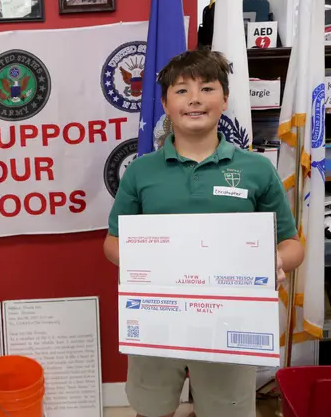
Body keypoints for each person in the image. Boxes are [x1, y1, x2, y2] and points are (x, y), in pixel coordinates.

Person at [103, 49, 304, 417]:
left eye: (207, 88)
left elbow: (292, 246)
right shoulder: (141, 172)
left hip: (229, 321)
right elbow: (112, 244)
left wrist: (270, 260)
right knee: (152, 409)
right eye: (182, 91)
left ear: (224, 100)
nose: (194, 99)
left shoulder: (257, 169)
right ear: (165, 104)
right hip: (157, 318)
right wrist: (153, 260)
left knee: (226, 410)